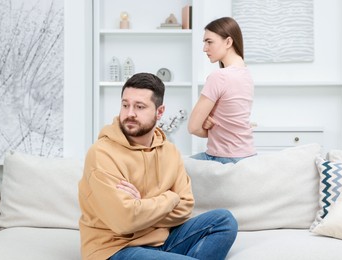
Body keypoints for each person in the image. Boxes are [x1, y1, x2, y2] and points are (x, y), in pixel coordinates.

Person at [78, 72, 238, 260]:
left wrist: (140, 206)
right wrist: (170, 198)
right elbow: (124, 221)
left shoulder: (170, 152)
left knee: (224, 221)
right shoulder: (101, 154)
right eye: (125, 105)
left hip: (163, 242)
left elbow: (185, 207)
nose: (130, 113)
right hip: (115, 248)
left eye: (139, 107)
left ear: (159, 111)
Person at [188, 17, 256, 164]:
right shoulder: (247, 74)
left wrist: (210, 129)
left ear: (228, 42)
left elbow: (193, 127)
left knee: (172, 168)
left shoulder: (219, 77)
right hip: (248, 156)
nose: (204, 48)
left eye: (209, 42)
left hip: (224, 158)